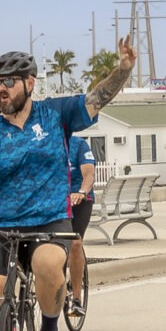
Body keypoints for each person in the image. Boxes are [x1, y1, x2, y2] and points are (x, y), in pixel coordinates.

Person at [0, 37, 136, 331]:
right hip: (3, 224)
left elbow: (96, 99)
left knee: (47, 263)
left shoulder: (55, 115)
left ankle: (50, 329)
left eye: (9, 82)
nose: (2, 89)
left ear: (30, 83)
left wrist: (122, 71)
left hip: (50, 220)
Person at [67, 136, 96, 317]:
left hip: (79, 200)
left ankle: (76, 298)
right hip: (54, 201)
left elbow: (88, 174)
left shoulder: (79, 144)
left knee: (75, 242)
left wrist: (81, 191)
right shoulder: (43, 142)